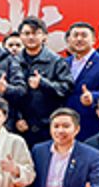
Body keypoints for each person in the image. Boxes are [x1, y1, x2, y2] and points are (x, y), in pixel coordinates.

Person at [16, 16, 73, 146]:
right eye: (27, 33)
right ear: (20, 36)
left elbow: (66, 88)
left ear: (44, 36)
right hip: (20, 126)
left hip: (47, 126)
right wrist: (17, 118)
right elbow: (11, 95)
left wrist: (43, 83)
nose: (31, 37)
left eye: (36, 33)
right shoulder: (14, 61)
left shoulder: (56, 61)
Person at [64, 22, 99, 141]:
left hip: (90, 124)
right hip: (66, 125)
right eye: (75, 35)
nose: (79, 39)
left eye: (84, 35)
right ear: (69, 39)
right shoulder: (64, 62)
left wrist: (93, 97)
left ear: (93, 40)